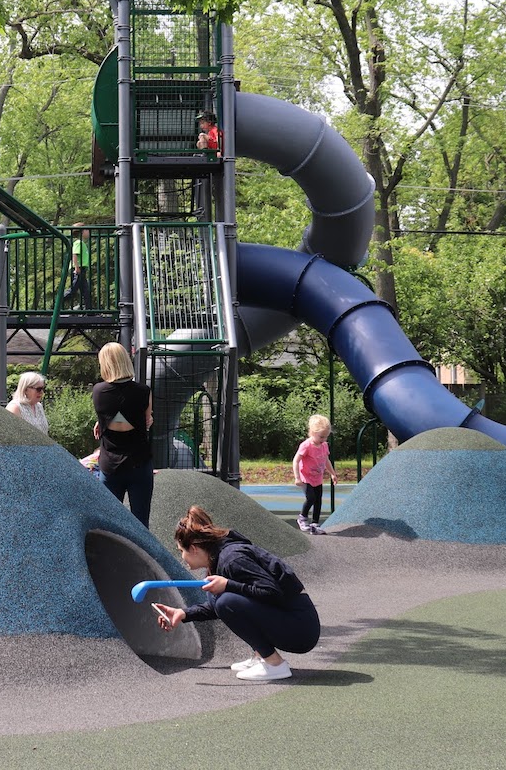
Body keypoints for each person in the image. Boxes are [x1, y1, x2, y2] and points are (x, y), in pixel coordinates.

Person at [152, 506, 321, 682]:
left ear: (193, 548)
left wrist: (228, 585)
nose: (182, 558)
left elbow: (271, 592)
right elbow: (224, 605)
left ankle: (274, 664)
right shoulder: (217, 560)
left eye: (182, 551)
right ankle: (260, 656)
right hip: (289, 620)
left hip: (301, 629)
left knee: (225, 600)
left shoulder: (233, 559)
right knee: (220, 597)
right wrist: (184, 613)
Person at [91, 342, 154, 526]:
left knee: (108, 521)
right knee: (141, 522)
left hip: (110, 463)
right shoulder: (143, 391)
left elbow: (113, 415)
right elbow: (146, 422)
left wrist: (101, 422)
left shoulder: (99, 391)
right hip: (139, 462)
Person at [293, 414, 336, 534]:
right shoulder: (306, 446)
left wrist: (332, 473)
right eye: (321, 436)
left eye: (326, 437)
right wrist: (297, 477)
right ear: (312, 432)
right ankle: (302, 518)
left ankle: (315, 524)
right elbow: (296, 460)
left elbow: (326, 460)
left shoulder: (324, 446)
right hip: (306, 478)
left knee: (318, 500)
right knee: (311, 498)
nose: (323, 439)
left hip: (318, 478)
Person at [62, 223, 94, 309]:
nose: (89, 232)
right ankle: (58, 302)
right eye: (87, 230)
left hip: (81, 269)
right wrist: (76, 267)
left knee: (86, 291)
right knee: (73, 290)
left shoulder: (82, 243)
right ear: (82, 232)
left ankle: (89, 311)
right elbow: (74, 255)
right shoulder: (79, 243)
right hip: (78, 269)